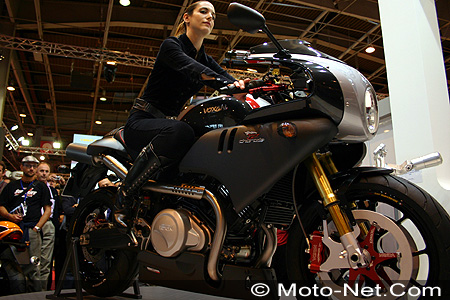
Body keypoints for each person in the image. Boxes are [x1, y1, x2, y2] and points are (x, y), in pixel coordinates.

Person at [119, 1, 248, 225]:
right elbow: (195, 69)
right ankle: (125, 194)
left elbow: (226, 78)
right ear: (187, 17)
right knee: (181, 131)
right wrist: (227, 84)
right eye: (203, 11)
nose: (210, 17)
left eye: (214, 15)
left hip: (167, 127)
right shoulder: (171, 46)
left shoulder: (205, 58)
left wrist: (247, 86)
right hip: (143, 121)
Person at [0, 156, 51, 292]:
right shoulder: (12, 186)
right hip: (13, 231)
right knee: (10, 262)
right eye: (28, 165)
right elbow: (1, 206)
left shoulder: (41, 187)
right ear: (21, 167)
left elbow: (47, 209)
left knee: (34, 266)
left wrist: (37, 227)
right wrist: (9, 216)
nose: (31, 168)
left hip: (31, 230)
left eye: (34, 166)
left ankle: (36, 294)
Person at [36, 163, 61, 290]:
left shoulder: (52, 191)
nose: (44, 173)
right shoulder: (31, 187)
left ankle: (42, 290)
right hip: (33, 224)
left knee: (46, 261)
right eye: (41, 171)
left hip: (49, 225)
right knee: (33, 260)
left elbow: (58, 210)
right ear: (36, 171)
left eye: (46, 171)